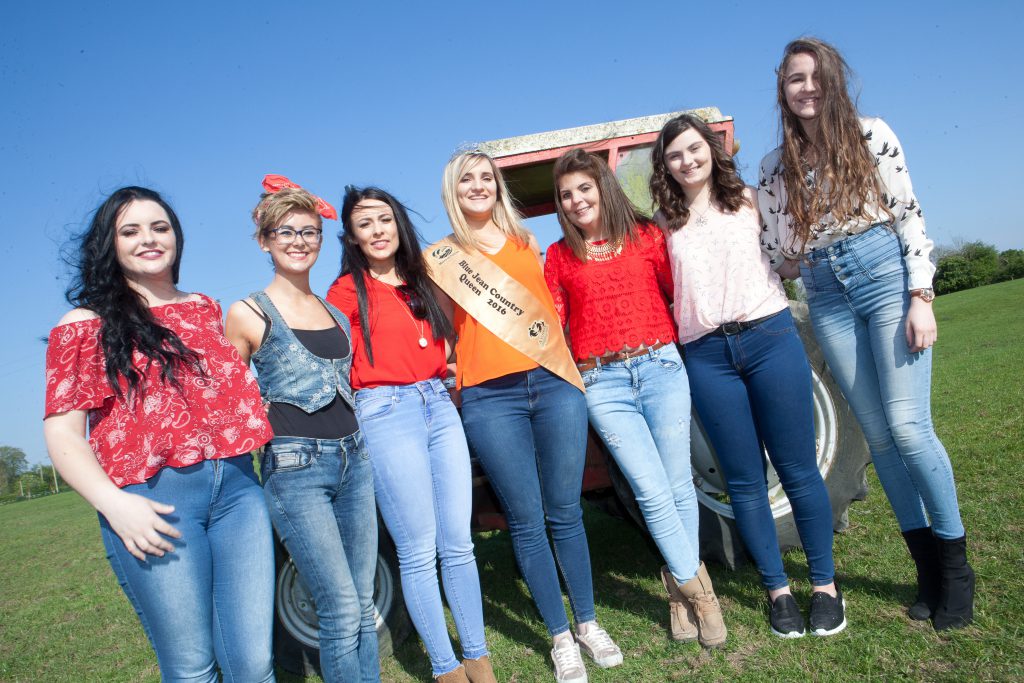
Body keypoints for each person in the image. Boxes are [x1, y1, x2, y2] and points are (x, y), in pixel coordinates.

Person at [759, 37, 973, 631]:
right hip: (825, 294)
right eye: (795, 79)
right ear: (783, 89)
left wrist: (921, 296)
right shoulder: (774, 167)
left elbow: (908, 215)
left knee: (909, 428)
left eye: (815, 76)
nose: (806, 88)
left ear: (833, 81)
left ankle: (956, 570)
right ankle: (926, 571)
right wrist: (796, 260)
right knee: (878, 438)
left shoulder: (871, 134)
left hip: (884, 277)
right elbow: (775, 248)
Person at [43, 187, 277, 681]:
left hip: (239, 493)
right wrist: (114, 504)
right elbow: (64, 435)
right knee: (192, 667)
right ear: (110, 245)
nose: (148, 239)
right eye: (130, 231)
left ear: (176, 236)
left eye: (159, 227)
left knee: (254, 664)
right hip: (155, 505)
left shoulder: (205, 308)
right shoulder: (84, 324)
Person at [427, 150, 621, 683]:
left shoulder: (525, 241)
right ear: (452, 190)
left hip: (553, 385)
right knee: (527, 519)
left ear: (497, 186)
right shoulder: (442, 258)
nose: (478, 186)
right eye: (466, 179)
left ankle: (587, 623)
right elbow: (443, 333)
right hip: (490, 399)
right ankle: (560, 638)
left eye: (486, 177)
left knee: (566, 511)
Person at [650, 114, 847, 638]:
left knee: (798, 468)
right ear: (665, 165)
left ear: (712, 150)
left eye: (694, 149)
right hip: (707, 355)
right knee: (744, 481)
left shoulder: (752, 200)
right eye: (675, 154)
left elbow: (790, 256)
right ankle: (778, 591)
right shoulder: (663, 224)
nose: (687, 161)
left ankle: (825, 586)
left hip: (769, 337)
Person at [544, 148, 726, 648]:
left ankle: (678, 593)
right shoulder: (559, 256)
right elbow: (553, 324)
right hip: (602, 383)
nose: (577, 200)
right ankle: (703, 596)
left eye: (584, 188)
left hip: (661, 366)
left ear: (603, 187)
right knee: (650, 491)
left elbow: (677, 293)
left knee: (678, 486)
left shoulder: (646, 236)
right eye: (566, 195)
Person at [325, 186, 496, 683]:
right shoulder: (344, 292)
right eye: (365, 224)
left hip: (438, 405)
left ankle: (478, 658)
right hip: (384, 411)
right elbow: (334, 365)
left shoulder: (425, 279)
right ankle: (446, 668)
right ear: (352, 238)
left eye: (384, 219)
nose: (378, 230)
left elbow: (445, 344)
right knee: (418, 549)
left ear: (398, 223)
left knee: (459, 543)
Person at [225, 176, 379, 682]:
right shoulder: (247, 313)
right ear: (264, 241)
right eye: (286, 232)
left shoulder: (334, 312)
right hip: (296, 469)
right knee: (339, 607)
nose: (299, 241)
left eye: (309, 232)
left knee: (363, 603)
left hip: (355, 461)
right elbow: (231, 402)